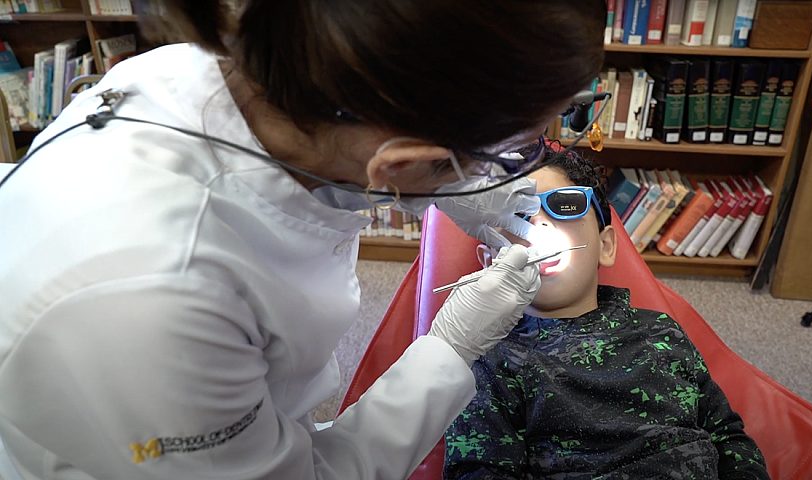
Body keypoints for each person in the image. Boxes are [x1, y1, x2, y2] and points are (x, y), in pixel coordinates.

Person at [0, 1, 608, 479]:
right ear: (398, 164)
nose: (510, 172)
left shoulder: (259, 71)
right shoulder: (150, 303)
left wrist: (464, 183)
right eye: (506, 156)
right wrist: (449, 348)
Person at [444, 145, 770, 480]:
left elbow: (728, 437)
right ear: (490, 262)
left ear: (606, 246)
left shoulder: (661, 331)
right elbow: (477, 471)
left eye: (564, 205)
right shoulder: (490, 360)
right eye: (517, 214)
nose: (539, 224)